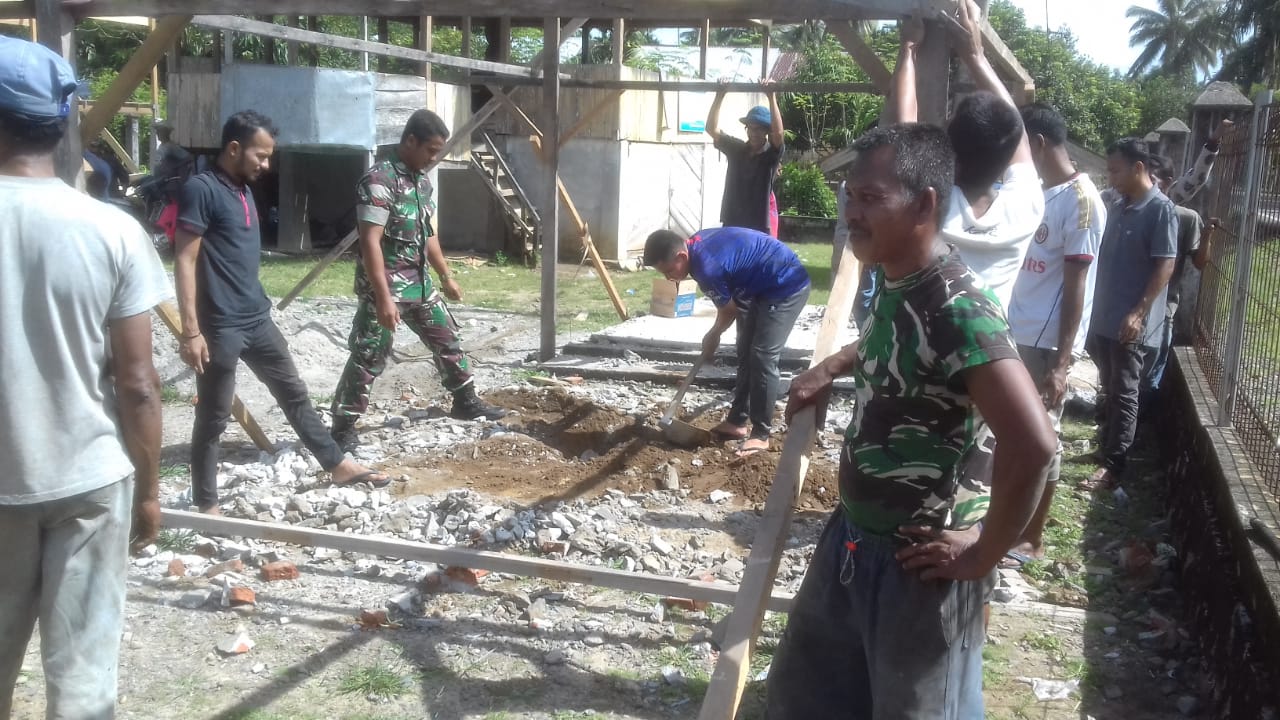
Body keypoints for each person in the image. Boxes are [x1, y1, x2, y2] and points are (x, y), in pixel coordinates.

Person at [765, 123, 1055, 718]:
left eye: (871, 199)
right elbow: (885, 335)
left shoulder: (959, 308)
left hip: (921, 567)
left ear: (925, 204)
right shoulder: (897, 280)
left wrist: (981, 553)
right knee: (806, 696)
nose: (852, 213)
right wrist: (830, 367)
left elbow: (1035, 445)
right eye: (850, 196)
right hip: (852, 540)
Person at [0, 36, 170, 718]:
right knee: (82, 682)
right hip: (88, 480)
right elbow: (138, 383)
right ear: (65, 121)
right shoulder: (110, 230)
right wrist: (151, 489)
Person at [174, 110, 388, 514]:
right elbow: (185, 261)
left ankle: (336, 463)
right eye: (260, 155)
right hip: (220, 327)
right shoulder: (201, 190)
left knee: (294, 393)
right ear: (234, 148)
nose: (266, 164)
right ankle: (207, 505)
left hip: (256, 317)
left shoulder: (243, 190)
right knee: (214, 416)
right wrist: (190, 331)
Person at [330, 109, 505, 448]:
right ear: (410, 141)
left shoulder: (421, 182)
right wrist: (382, 297)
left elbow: (429, 235)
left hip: (420, 284)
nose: (434, 158)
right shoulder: (379, 181)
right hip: (386, 286)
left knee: (447, 337)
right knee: (370, 353)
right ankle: (343, 426)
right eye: (431, 150)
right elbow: (369, 242)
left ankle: (465, 401)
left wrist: (446, 276)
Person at [892, 4, 1044, 312]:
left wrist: (908, 50)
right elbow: (1018, 135)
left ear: (952, 156)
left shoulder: (931, 207)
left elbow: (904, 126)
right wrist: (976, 56)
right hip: (986, 345)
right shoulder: (1026, 206)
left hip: (922, 349)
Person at [1005, 103, 1106, 561]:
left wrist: (1063, 364)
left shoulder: (1083, 202)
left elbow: (1076, 286)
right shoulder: (1044, 192)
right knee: (1013, 435)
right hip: (1017, 330)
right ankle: (1006, 523)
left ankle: (1031, 537)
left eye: (1022, 144)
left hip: (1045, 344)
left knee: (1043, 438)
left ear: (1039, 143)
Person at [642, 226, 810, 455]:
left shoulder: (707, 268)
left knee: (762, 355)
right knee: (744, 351)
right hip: (756, 288)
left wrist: (714, 334)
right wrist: (715, 334)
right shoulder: (695, 246)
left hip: (785, 284)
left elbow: (728, 311)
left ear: (681, 256)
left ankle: (761, 434)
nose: (669, 277)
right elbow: (731, 306)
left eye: (669, 270)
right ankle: (737, 422)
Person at [1086, 138, 1177, 490]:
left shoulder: (1161, 209)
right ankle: (1107, 447)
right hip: (1106, 316)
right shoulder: (1119, 205)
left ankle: (1114, 465)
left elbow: (1165, 264)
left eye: (1114, 170)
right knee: (1109, 385)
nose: (1110, 178)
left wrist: (1139, 313)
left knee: (1124, 390)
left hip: (1130, 322)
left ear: (1138, 168)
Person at [1142, 156, 1215, 400]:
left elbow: (1199, 262)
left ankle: (1141, 421)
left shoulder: (1185, 218)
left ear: (1168, 183)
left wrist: (1206, 237)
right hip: (1127, 301)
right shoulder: (1128, 211)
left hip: (1164, 307)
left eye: (1151, 180)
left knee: (1153, 367)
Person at [706, 81, 784, 234]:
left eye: (759, 129)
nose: (753, 133)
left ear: (767, 132)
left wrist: (771, 96)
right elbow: (711, 129)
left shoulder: (770, 156)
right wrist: (720, 95)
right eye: (750, 128)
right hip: (732, 219)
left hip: (758, 224)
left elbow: (779, 134)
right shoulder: (737, 149)